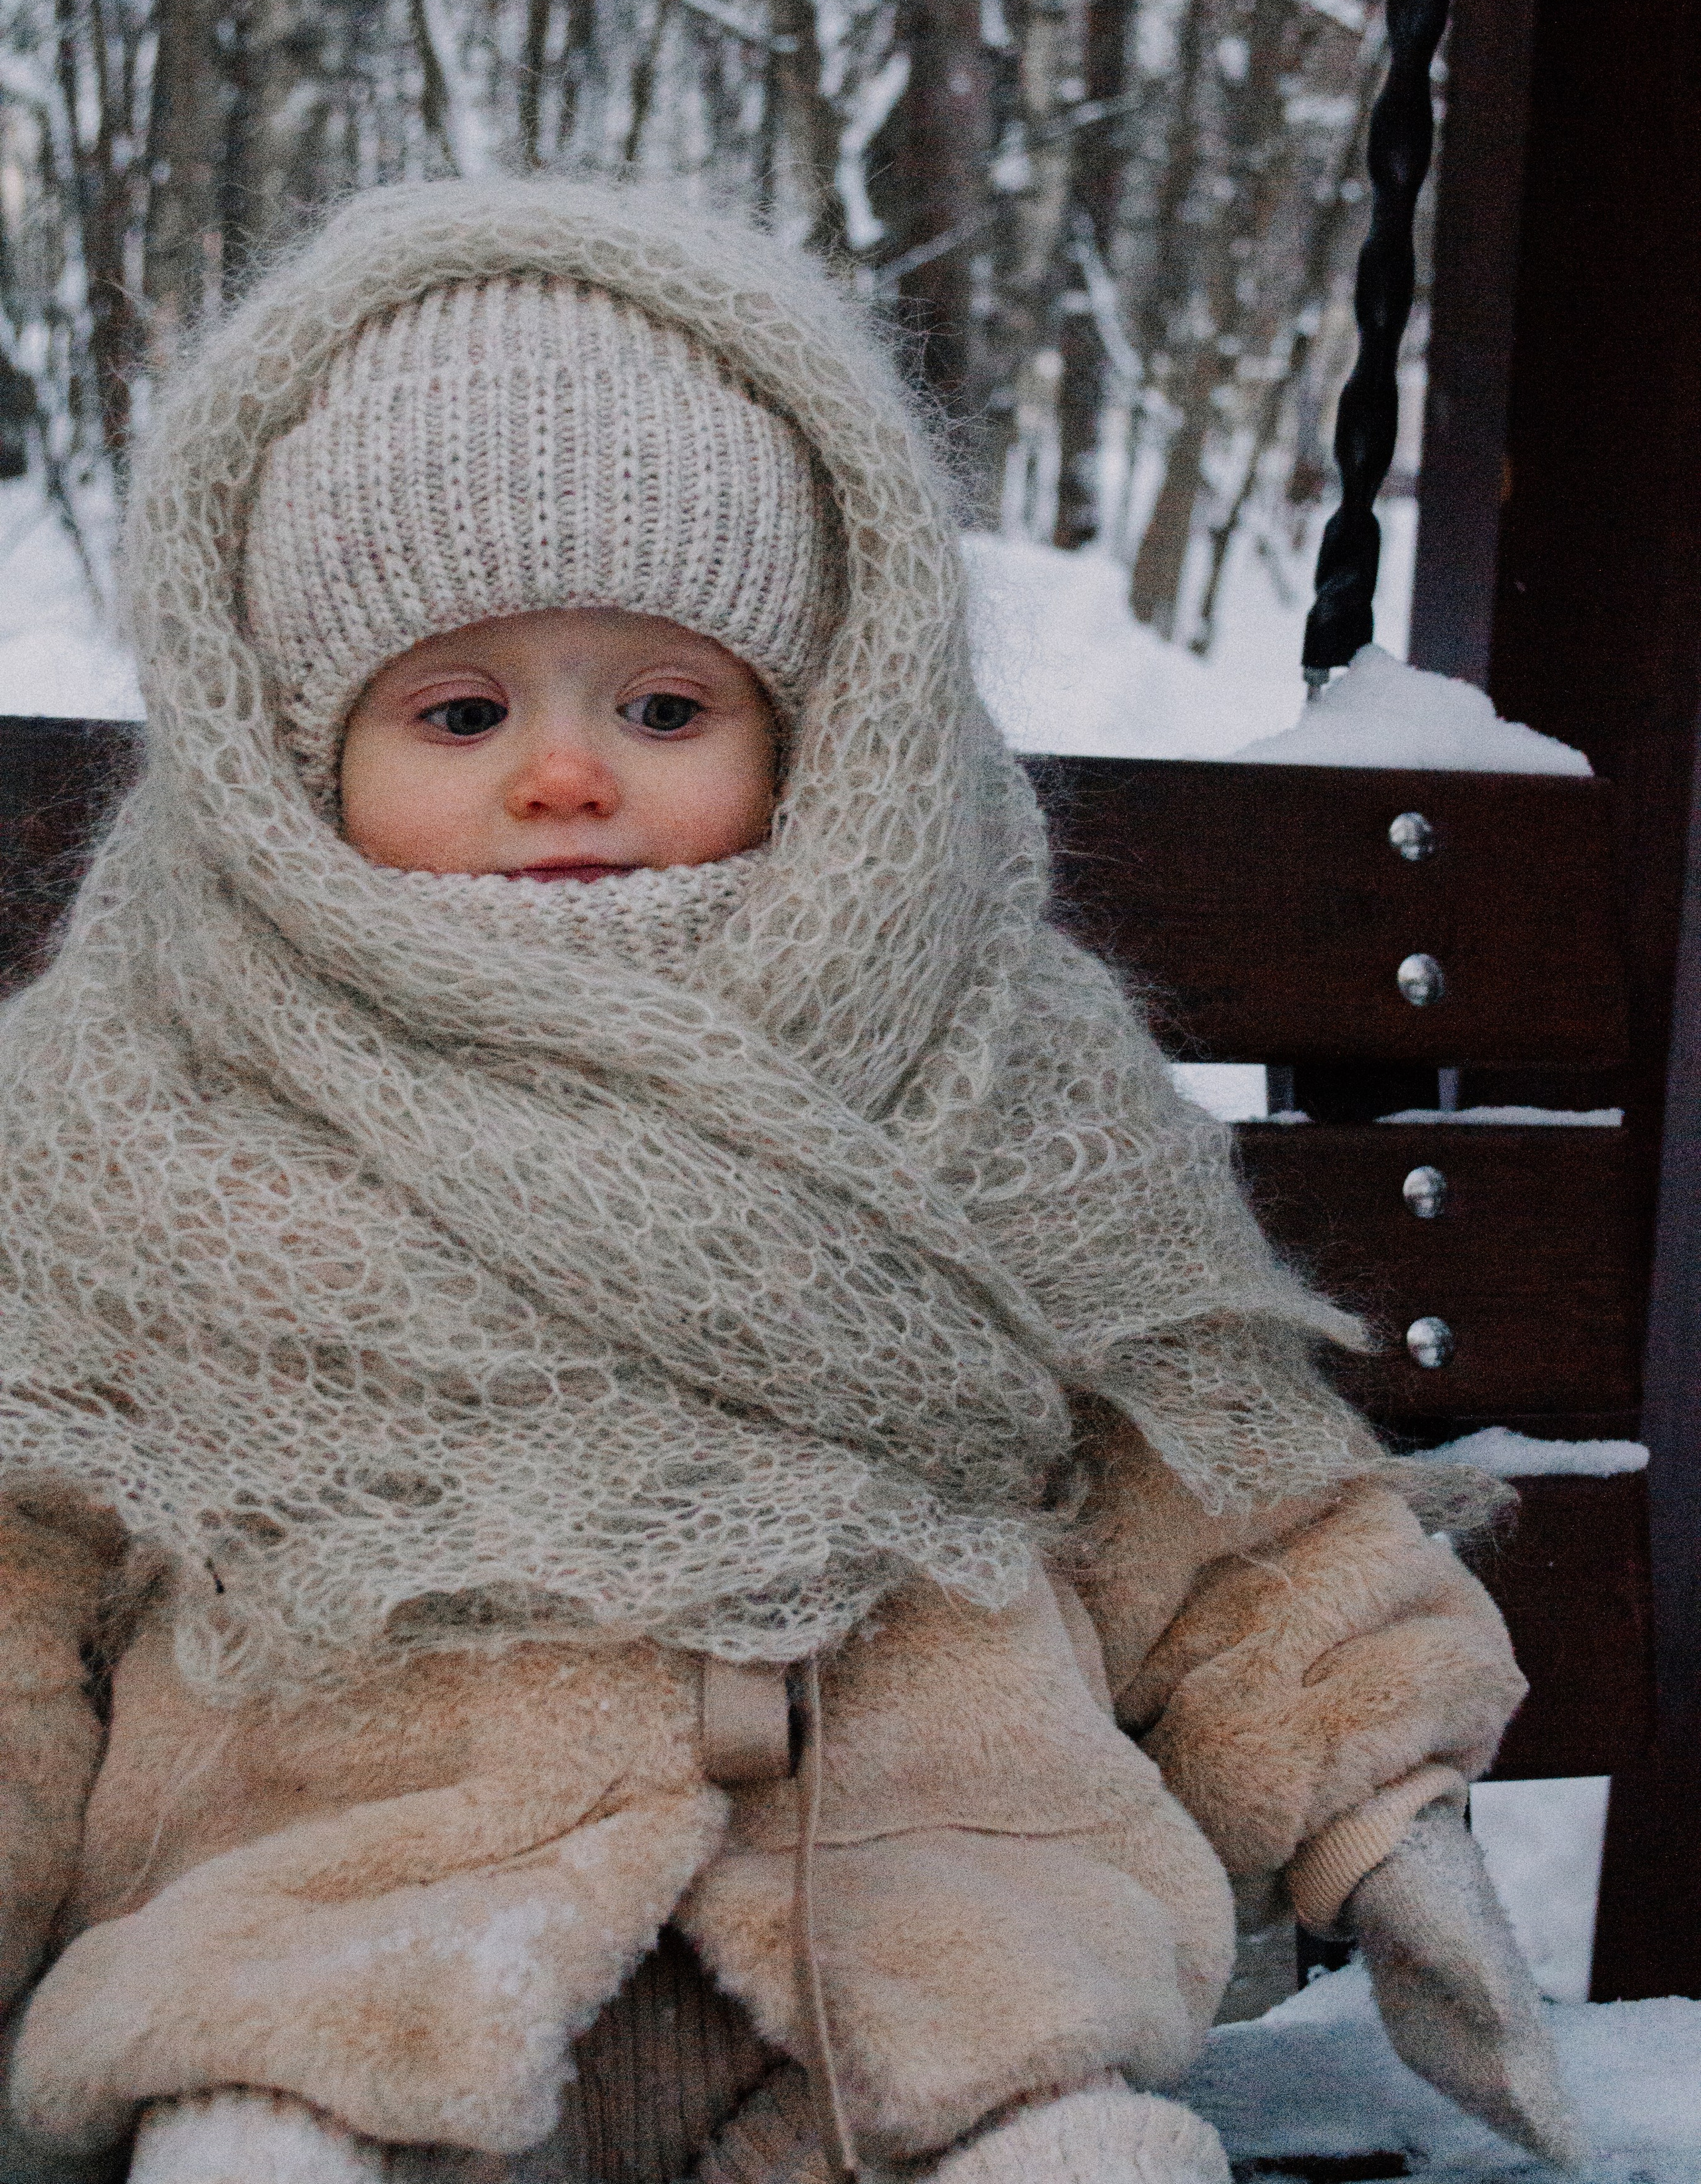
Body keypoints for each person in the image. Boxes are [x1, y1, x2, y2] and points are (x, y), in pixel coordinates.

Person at [0, 179, 1531, 2184]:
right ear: (298, 752)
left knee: (1060, 2149)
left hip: (937, 1945)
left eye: (665, 706)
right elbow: (23, 1556)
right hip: (333, 1942)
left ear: (817, 718)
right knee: (258, 2144)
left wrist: (1372, 1790)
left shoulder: (990, 1050)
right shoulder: (149, 1095)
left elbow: (1217, 1483)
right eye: (462, 713)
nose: (568, 774)